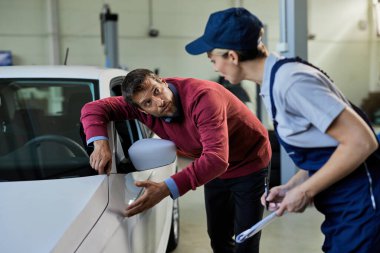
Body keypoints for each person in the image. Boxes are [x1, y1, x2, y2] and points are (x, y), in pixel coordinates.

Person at [185, 7, 380, 253]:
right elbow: (326, 150)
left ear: (232, 56)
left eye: (213, 59)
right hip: (342, 205)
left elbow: (361, 142)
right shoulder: (275, 81)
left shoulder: (292, 82)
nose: (215, 68)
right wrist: (293, 186)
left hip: (363, 202)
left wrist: (306, 191)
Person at [80, 68, 271, 253]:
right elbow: (92, 108)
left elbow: (216, 159)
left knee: (245, 238)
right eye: (148, 103)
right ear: (140, 110)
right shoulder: (139, 108)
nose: (158, 102)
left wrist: (165, 189)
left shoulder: (203, 97)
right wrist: (100, 142)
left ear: (163, 81)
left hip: (250, 162)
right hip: (213, 167)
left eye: (157, 91)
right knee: (218, 235)